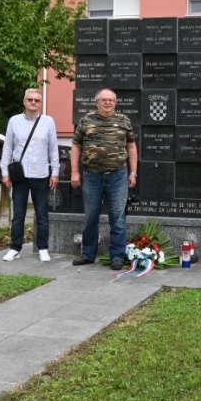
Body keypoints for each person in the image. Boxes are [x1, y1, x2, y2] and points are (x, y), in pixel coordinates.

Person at [70, 88, 138, 270]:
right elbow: (76, 146)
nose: (107, 103)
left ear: (115, 103)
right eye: (104, 100)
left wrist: (133, 173)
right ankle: (88, 254)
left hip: (118, 176)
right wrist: (74, 172)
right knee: (90, 217)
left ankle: (117, 255)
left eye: (111, 100)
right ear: (97, 102)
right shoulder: (86, 121)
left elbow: (131, 147)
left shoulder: (124, 121)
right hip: (92, 176)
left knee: (117, 217)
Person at [0, 88, 60, 262]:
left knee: (42, 214)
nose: (33, 103)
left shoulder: (48, 122)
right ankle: (15, 248)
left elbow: (53, 149)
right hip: (20, 175)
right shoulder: (14, 121)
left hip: (41, 174)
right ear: (24, 101)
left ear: (40, 103)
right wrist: (5, 173)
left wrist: (54, 172)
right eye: (30, 100)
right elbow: (8, 148)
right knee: (18, 214)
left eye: (37, 100)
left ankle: (43, 248)